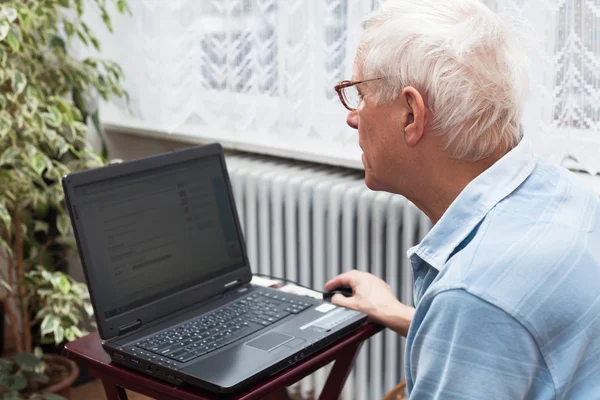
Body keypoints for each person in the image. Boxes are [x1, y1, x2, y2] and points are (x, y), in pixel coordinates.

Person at [327, 0, 600, 398]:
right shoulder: (566, 193)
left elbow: (486, 307)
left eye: (359, 94)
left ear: (411, 116)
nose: (353, 117)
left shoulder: (474, 296)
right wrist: (401, 313)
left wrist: (459, 311)